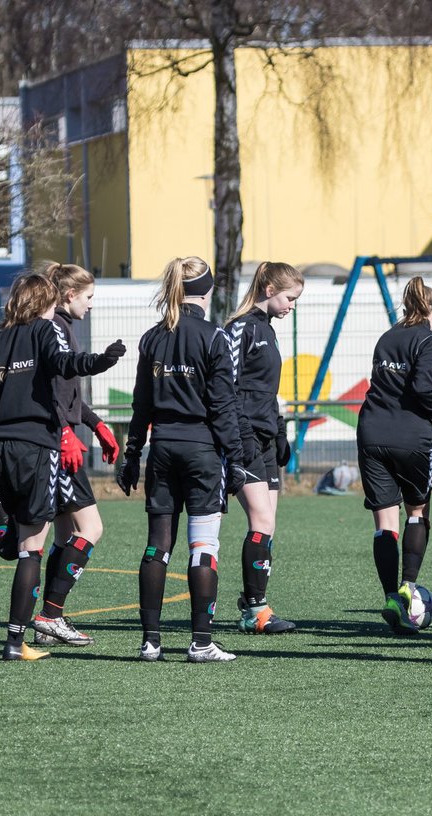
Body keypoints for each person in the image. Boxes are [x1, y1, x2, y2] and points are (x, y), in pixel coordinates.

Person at [0, 270, 125, 661]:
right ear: (44, 302)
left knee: (21, 545)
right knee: (30, 549)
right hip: (39, 447)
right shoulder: (45, 330)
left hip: (1, 450)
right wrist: (101, 361)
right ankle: (16, 642)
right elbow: (64, 364)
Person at [118, 256, 246, 663]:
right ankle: (201, 642)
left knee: (157, 547)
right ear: (207, 291)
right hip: (202, 452)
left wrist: (131, 455)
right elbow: (224, 406)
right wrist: (238, 459)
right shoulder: (213, 337)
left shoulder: (153, 337)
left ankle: (151, 643)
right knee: (203, 548)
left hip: (162, 451)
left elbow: (141, 406)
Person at [28, 263, 125, 648]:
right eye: (89, 297)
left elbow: (67, 394)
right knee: (91, 529)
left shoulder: (62, 327)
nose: (91, 305)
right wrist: (66, 431)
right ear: (69, 296)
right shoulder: (53, 328)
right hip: (56, 445)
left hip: (60, 440)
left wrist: (97, 424)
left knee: (66, 534)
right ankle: (50, 614)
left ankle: (49, 616)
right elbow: (49, 391)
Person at [356, 276, 432, 633]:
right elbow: (426, 387)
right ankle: (409, 586)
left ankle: (391, 596)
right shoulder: (430, 338)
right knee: (417, 512)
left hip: (372, 431)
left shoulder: (387, 336)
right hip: (411, 436)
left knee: (383, 523)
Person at [225, 261, 304, 634]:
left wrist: (281, 431)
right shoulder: (238, 328)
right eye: (290, 297)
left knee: (268, 524)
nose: (292, 305)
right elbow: (226, 388)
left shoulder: (268, 331)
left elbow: (266, 392)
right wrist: (237, 440)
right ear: (270, 289)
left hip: (267, 438)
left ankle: (254, 603)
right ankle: (255, 610)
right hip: (245, 438)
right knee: (261, 520)